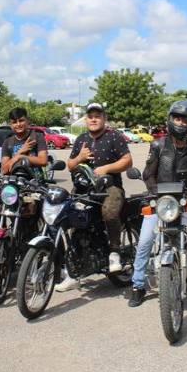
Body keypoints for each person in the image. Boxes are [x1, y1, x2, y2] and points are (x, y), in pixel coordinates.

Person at [128, 100, 187, 307]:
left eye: (185, 119)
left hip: (183, 202)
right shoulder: (157, 145)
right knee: (146, 239)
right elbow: (148, 175)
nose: (180, 122)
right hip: (160, 203)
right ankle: (138, 285)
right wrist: (155, 195)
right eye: (177, 117)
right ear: (170, 119)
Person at [57, 102, 132, 291]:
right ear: (86, 119)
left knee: (109, 212)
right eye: (90, 116)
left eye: (97, 115)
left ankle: (114, 252)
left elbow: (127, 161)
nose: (93, 119)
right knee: (71, 219)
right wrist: (80, 158)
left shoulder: (114, 136)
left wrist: (106, 168)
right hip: (83, 189)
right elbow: (70, 165)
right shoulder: (81, 139)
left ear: (104, 118)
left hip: (110, 187)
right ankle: (75, 272)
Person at [0, 107, 48, 177]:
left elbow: (43, 161)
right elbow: (4, 170)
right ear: (11, 125)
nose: (18, 124)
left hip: (35, 184)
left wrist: (21, 156)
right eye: (14, 122)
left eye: (21, 120)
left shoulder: (37, 137)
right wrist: (19, 152)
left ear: (27, 121)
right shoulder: (7, 142)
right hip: (14, 184)